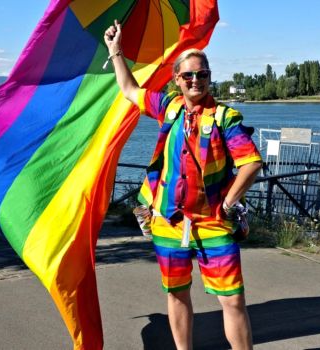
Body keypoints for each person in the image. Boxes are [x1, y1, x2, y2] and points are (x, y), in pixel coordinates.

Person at [105, 20, 262, 350]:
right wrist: (115, 51)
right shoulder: (168, 107)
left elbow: (251, 163)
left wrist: (230, 203)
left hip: (214, 223)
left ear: (209, 77)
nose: (195, 80)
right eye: (188, 75)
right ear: (177, 79)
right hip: (168, 221)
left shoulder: (224, 117)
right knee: (176, 294)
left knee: (232, 299)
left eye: (202, 74)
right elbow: (130, 91)